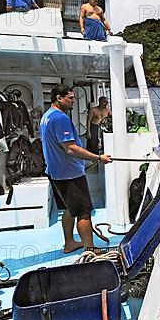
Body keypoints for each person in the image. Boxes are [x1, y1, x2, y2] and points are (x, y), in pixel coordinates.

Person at [40, 85, 112, 253]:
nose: (73, 101)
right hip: (69, 174)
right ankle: (91, 250)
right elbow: (70, 148)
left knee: (69, 209)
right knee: (84, 212)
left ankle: (70, 243)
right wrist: (98, 158)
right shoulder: (60, 118)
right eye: (70, 98)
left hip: (55, 172)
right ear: (59, 98)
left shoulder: (47, 116)